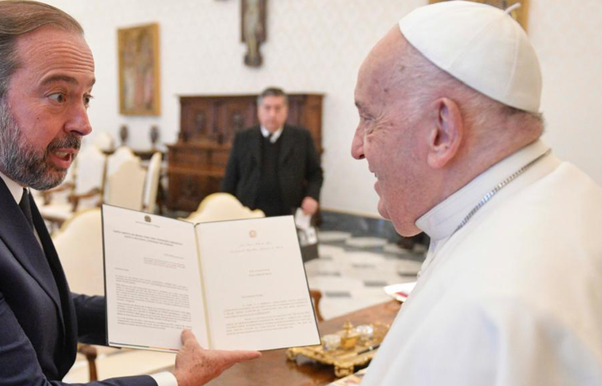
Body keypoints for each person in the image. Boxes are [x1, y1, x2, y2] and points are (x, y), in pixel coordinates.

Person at [0, 2, 259, 385]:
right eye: (59, 96)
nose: (83, 123)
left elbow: (37, 303)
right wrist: (178, 379)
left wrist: (182, 316)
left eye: (86, 97)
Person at [351, 2, 602, 385]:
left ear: (442, 130)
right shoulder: (568, 193)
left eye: (369, 118)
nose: (357, 147)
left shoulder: (489, 309)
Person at [222, 87, 323, 217]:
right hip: (249, 210)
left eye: (278, 108)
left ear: (286, 110)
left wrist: (312, 196)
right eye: (267, 108)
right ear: (259, 110)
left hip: (287, 211)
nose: (272, 114)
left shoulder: (301, 138)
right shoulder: (243, 138)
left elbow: (315, 174)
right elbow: (230, 179)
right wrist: (226, 207)